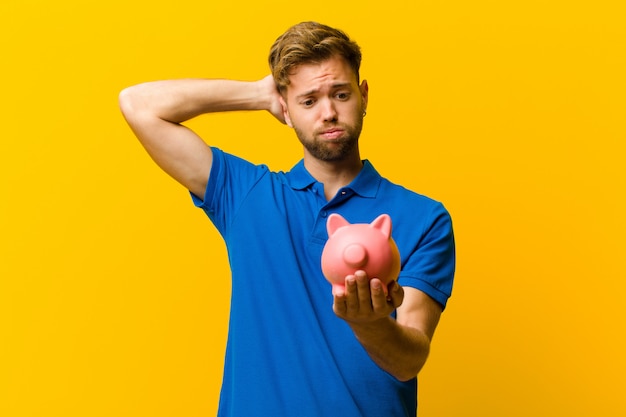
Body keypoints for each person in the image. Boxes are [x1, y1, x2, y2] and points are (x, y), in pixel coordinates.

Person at [119, 21, 455, 417]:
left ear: (363, 96)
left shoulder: (424, 217)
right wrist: (259, 94)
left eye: (341, 94)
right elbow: (138, 105)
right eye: (308, 101)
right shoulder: (245, 195)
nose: (328, 112)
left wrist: (371, 323)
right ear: (286, 109)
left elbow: (409, 360)